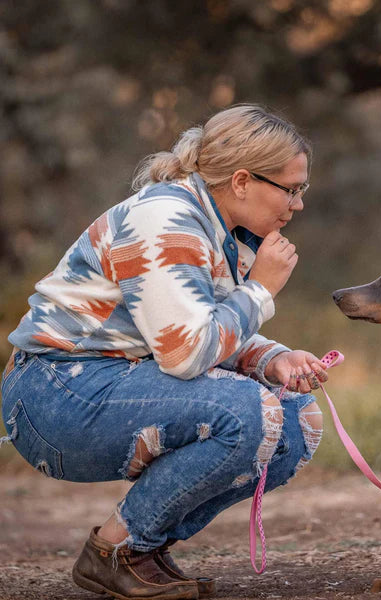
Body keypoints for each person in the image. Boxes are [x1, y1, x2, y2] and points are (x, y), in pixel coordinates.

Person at [1, 104, 329, 600]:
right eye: (291, 188)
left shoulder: (220, 231)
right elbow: (186, 354)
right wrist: (260, 291)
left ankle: (143, 547)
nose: (298, 204)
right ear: (242, 180)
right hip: (54, 393)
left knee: (296, 420)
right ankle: (115, 550)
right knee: (251, 412)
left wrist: (272, 358)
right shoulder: (165, 221)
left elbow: (197, 327)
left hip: (109, 380)